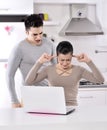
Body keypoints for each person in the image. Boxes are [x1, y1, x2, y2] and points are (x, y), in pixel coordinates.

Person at [25, 41, 104, 106]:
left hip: (73, 108)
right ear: (57, 56)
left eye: (68, 60)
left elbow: (100, 80)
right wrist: (39, 62)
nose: (65, 63)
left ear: (72, 56)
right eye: (62, 60)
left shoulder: (79, 70)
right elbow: (28, 81)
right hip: (54, 108)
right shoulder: (49, 70)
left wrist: (89, 61)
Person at [6, 14, 56, 108]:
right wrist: (14, 100)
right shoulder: (19, 48)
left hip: (48, 93)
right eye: (35, 34)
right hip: (28, 94)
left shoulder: (50, 44)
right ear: (26, 32)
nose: (39, 37)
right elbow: (9, 75)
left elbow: (57, 69)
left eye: (41, 33)